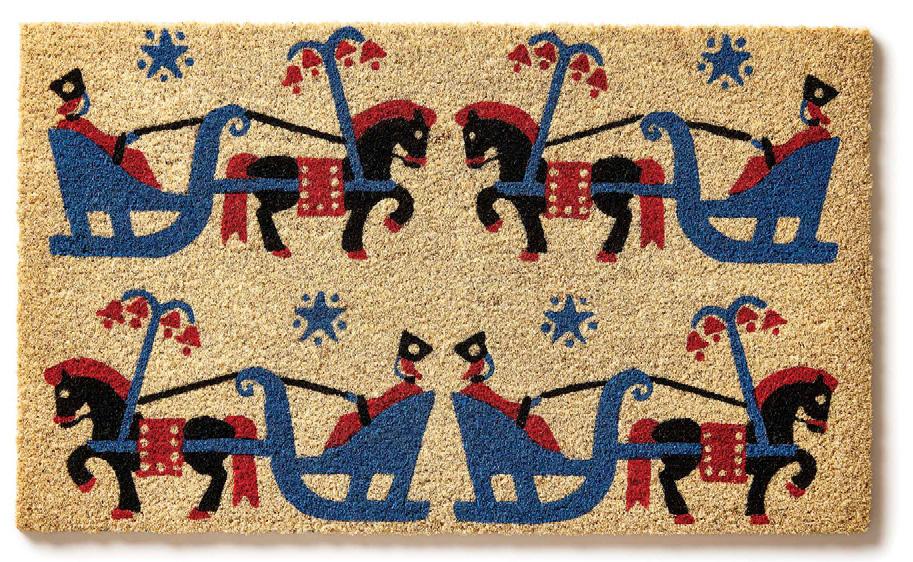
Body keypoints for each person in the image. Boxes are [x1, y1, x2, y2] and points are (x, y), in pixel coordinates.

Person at [49, 68, 161, 188]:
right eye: (82, 99)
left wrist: (124, 138)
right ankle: (151, 190)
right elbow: (102, 143)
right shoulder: (77, 125)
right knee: (136, 158)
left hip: (101, 155)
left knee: (135, 155)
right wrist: (123, 140)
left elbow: (101, 140)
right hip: (101, 161)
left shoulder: (71, 124)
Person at [730, 74, 839, 195]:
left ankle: (740, 197)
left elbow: (789, 154)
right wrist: (767, 147)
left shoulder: (814, 135)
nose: (802, 112)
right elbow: (788, 149)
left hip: (787, 168)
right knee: (756, 163)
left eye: (805, 109)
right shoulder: (815, 133)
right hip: (787, 164)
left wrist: (768, 150)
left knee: (755, 164)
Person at [324, 331, 433, 449]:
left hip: (378, 422)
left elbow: (382, 410)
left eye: (402, 361)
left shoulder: (409, 391)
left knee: (346, 423)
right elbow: (383, 403)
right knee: (347, 420)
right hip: (378, 416)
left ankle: (333, 452)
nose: (399, 364)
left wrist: (362, 405)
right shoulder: (406, 388)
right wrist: (363, 403)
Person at [454, 331, 560, 452]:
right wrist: (525, 407)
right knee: (536, 423)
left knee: (535, 422)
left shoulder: (477, 388)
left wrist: (526, 405)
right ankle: (552, 455)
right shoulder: (475, 391)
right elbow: (503, 408)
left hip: (504, 420)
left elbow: (503, 405)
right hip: (502, 427)